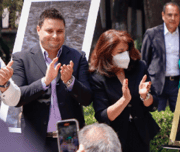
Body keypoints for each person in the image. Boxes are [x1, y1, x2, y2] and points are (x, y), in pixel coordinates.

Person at [11, 8, 92, 151]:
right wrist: (45, 81)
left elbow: (87, 99)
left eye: (60, 31)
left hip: (69, 135)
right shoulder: (22, 59)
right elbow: (18, 98)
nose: (55, 36)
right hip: (34, 138)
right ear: (38, 30)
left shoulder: (77, 57)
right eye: (49, 31)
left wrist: (70, 81)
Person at [90, 29, 160, 152]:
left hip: (140, 133)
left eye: (127, 50)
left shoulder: (139, 67)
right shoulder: (98, 77)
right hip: (115, 137)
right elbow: (102, 116)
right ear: (108, 52)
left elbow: (153, 105)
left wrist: (146, 96)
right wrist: (124, 100)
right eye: (120, 51)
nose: (125, 55)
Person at [141, 2, 180, 112]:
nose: (172, 18)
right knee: (157, 116)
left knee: (179, 117)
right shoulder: (151, 34)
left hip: (178, 83)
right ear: (163, 15)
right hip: (157, 83)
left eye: (176, 15)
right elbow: (145, 60)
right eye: (169, 15)